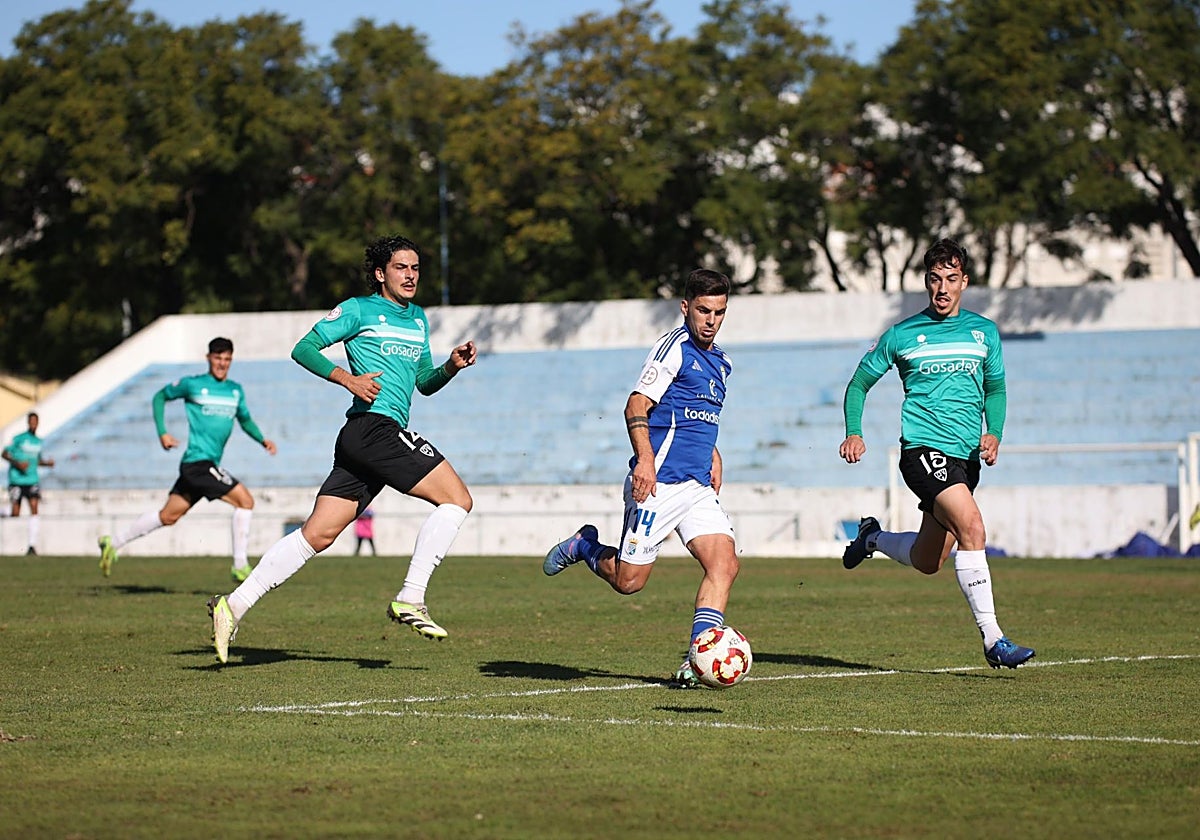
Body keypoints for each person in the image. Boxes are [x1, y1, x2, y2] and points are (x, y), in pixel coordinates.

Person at [207, 234, 477, 664]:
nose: (410, 276)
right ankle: (411, 596)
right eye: (401, 268)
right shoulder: (358, 309)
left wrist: (450, 367)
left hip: (367, 438)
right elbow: (303, 348)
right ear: (379, 273)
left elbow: (424, 382)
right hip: (373, 429)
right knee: (458, 500)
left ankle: (232, 606)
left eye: (415, 268)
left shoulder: (419, 319)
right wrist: (347, 379)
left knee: (317, 534)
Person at [838, 237, 1035, 669]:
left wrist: (994, 433)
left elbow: (996, 388)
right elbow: (858, 384)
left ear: (964, 282)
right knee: (973, 528)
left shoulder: (984, 332)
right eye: (934, 279)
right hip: (924, 450)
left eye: (951, 279)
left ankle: (872, 537)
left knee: (930, 560)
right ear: (926, 283)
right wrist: (854, 432)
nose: (942, 288)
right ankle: (994, 640)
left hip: (965, 458)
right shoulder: (902, 334)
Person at [543, 268, 740, 689]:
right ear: (686, 307)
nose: (711, 320)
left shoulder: (722, 363)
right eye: (703, 310)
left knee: (724, 564)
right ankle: (585, 545)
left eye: (719, 312)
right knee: (629, 582)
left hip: (696, 486)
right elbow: (637, 405)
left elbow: (697, 416)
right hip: (659, 483)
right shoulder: (675, 348)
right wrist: (645, 462)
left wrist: (715, 454)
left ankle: (694, 659)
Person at [97, 337, 278, 581]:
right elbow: (159, 397)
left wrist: (262, 439)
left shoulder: (235, 390)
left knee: (167, 516)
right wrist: (162, 433)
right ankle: (240, 565)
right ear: (208, 358)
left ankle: (113, 542)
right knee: (245, 501)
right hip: (198, 464)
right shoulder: (193, 385)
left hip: (202, 466)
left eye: (227, 359)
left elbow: (244, 419)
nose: (222, 364)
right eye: (218, 358)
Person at [3, 412, 55, 555]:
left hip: (32, 480)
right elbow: (4, 454)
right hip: (17, 480)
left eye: (35, 421)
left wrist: (47, 463)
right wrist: (18, 464)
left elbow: (36, 460)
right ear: (28, 422)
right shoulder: (19, 439)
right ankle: (2, 512)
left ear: (37, 423)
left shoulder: (38, 442)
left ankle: (32, 546)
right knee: (15, 512)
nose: (33, 424)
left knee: (34, 507)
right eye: (31, 421)